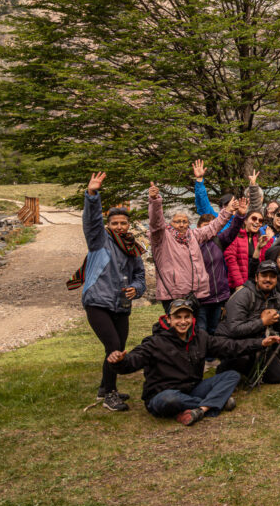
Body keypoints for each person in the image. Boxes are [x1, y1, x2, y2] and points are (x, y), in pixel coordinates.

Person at [106, 299, 280, 425]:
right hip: (162, 395)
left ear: (192, 319)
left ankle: (201, 409)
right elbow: (132, 361)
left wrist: (259, 343)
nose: (183, 322)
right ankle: (214, 403)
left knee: (231, 375)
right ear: (169, 319)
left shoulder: (201, 337)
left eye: (186, 317)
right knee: (169, 400)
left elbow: (229, 346)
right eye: (178, 317)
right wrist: (119, 361)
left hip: (192, 389)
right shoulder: (155, 342)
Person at [69, 172, 147, 411]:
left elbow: (140, 277)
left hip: (122, 304)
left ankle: (105, 387)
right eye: (115, 223)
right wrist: (92, 195)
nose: (119, 226)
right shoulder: (98, 240)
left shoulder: (133, 247)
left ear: (128, 225)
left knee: (117, 348)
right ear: (108, 225)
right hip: (98, 302)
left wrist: (136, 288)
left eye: (123, 223)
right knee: (114, 346)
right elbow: (91, 222)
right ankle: (110, 395)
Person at [148, 181, 236, 309]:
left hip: (193, 293)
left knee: (193, 327)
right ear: (170, 223)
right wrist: (155, 201)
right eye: (177, 221)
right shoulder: (162, 237)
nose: (182, 224)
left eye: (185, 221)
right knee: (177, 326)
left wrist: (227, 211)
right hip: (173, 293)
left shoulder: (193, 235)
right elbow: (156, 222)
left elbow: (213, 227)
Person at [216, 260, 280, 385]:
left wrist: (276, 317)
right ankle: (225, 368)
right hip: (231, 341)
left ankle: (250, 366)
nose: (268, 279)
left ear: (276, 279)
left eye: (272, 276)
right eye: (264, 276)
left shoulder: (278, 298)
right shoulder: (243, 295)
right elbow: (234, 329)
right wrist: (262, 322)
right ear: (256, 278)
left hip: (257, 343)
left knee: (278, 376)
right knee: (242, 360)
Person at [195, 196, 248, 336]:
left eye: (212, 225)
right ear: (198, 228)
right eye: (205, 226)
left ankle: (212, 357)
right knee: (200, 330)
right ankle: (200, 356)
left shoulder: (218, 241)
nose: (208, 229)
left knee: (215, 329)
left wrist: (240, 215)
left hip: (218, 295)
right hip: (199, 297)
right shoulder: (191, 245)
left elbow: (233, 230)